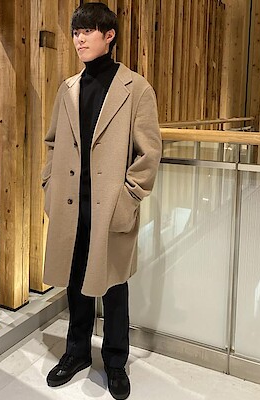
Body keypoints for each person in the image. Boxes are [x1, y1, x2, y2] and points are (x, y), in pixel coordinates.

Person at [41, 3, 162, 399]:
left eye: (87, 32)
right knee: (75, 280)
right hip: (71, 204)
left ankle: (114, 361)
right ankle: (76, 352)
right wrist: (49, 185)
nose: (79, 39)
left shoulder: (136, 88)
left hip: (111, 206)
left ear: (109, 35)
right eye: (76, 32)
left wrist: (128, 198)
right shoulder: (68, 88)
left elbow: (148, 154)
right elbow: (52, 142)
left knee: (114, 285)